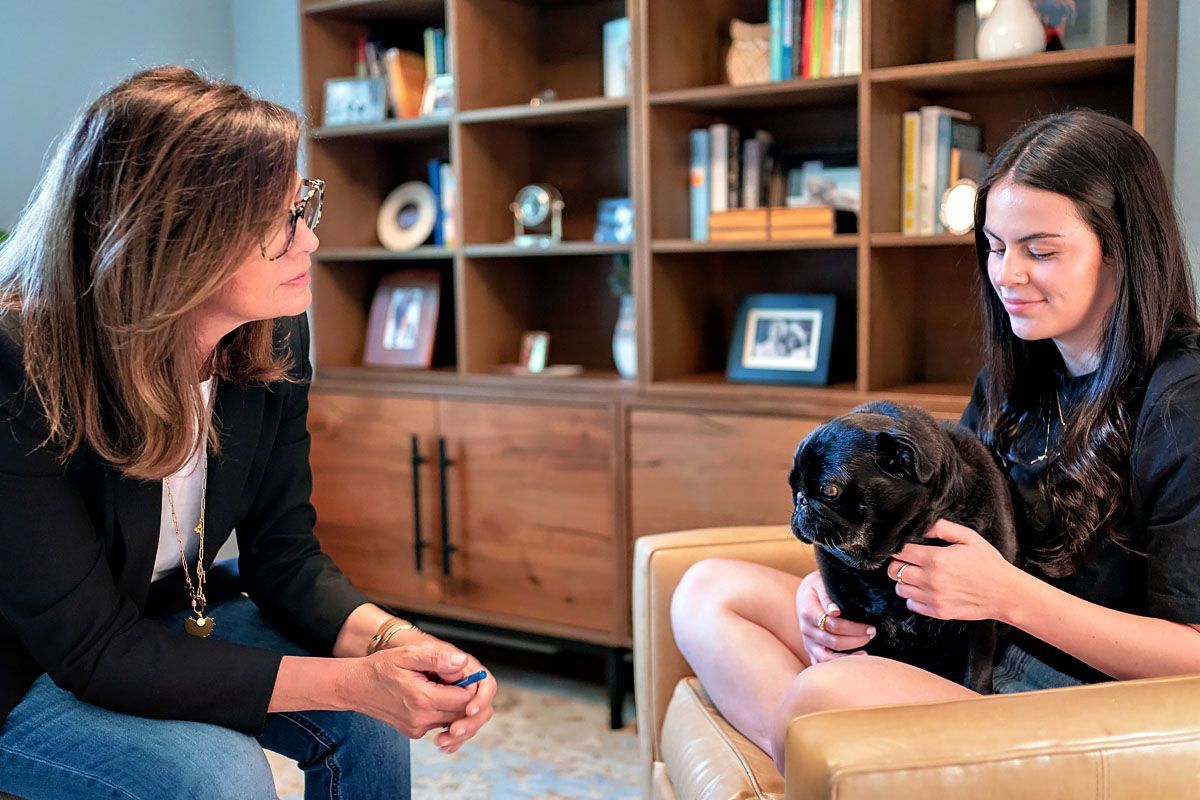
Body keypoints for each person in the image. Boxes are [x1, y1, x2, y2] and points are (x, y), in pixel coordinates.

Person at [0, 67, 496, 799]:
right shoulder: (19, 361)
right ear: (176, 234)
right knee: (219, 774)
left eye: (306, 206)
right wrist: (357, 681)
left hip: (153, 621)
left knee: (373, 720)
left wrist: (396, 643)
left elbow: (286, 556)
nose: (313, 240)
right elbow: (91, 648)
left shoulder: (270, 335)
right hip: (25, 663)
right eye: (286, 218)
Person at [671, 108, 1200, 772]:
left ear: (1121, 246)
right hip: (963, 642)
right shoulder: (1018, 375)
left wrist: (1008, 594)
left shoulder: (1183, 402)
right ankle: (818, 761)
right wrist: (824, 595)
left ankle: (811, 751)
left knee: (825, 696)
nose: (1006, 275)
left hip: (1073, 695)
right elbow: (929, 524)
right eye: (995, 246)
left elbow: (1194, 656)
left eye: (1040, 250)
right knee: (706, 591)